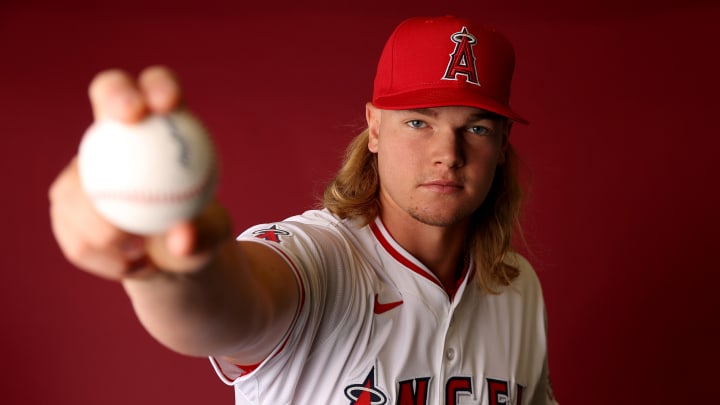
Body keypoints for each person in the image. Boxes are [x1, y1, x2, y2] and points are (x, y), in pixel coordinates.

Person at [49, 15, 558, 405]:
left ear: (502, 143)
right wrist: (165, 270)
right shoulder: (323, 261)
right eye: (418, 123)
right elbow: (230, 311)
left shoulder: (519, 288)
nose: (448, 152)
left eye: (476, 127)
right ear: (375, 126)